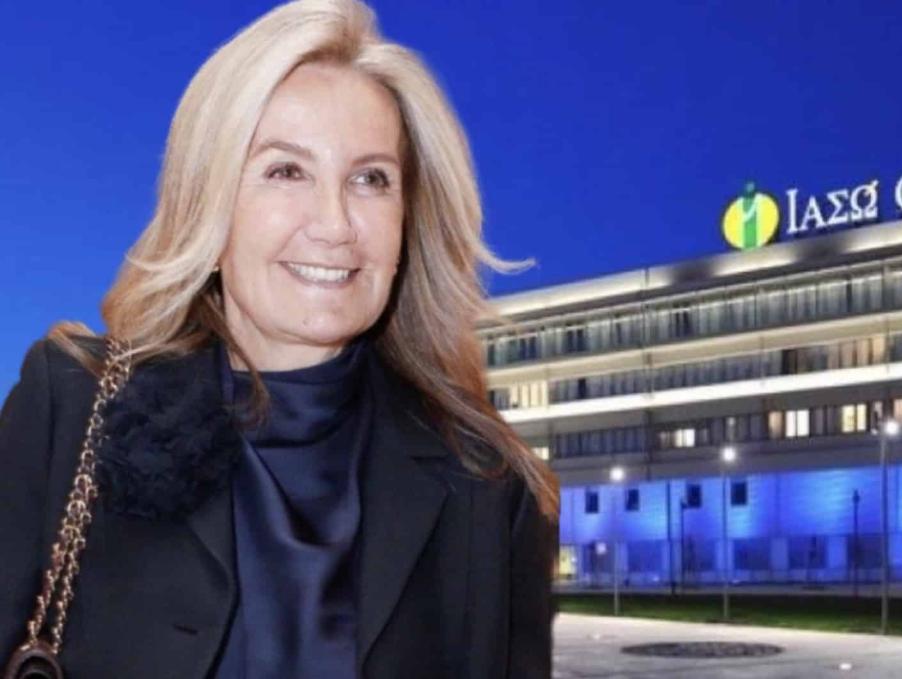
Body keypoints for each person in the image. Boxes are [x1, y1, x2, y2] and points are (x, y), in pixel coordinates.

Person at [0, 0, 558, 677]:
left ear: (407, 219)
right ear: (208, 204)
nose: (335, 224)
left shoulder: (488, 484)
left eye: (370, 179)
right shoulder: (73, 408)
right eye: (286, 171)